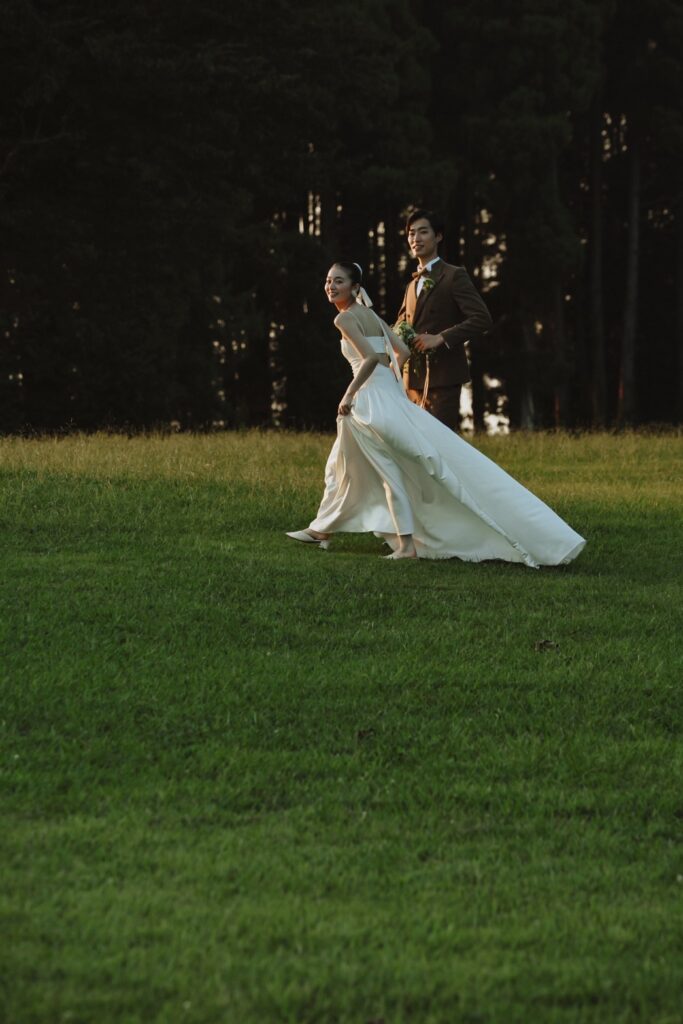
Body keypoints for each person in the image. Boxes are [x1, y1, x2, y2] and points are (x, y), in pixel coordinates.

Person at [286, 262, 585, 565]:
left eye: (338, 281)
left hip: (368, 403)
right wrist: (388, 380)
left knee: (386, 472)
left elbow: (372, 358)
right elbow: (400, 351)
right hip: (386, 395)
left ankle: (405, 547)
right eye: (327, 281)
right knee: (341, 465)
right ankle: (321, 530)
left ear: (353, 286)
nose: (331, 286)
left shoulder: (345, 318)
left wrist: (350, 394)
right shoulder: (372, 315)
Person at [397, 209, 492, 430]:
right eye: (411, 233)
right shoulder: (411, 284)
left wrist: (441, 338)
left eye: (423, 232)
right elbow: (401, 325)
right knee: (417, 449)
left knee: (441, 448)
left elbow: (482, 318)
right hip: (412, 379)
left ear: (438, 236)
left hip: (444, 377)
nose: (415, 239)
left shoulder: (453, 275)